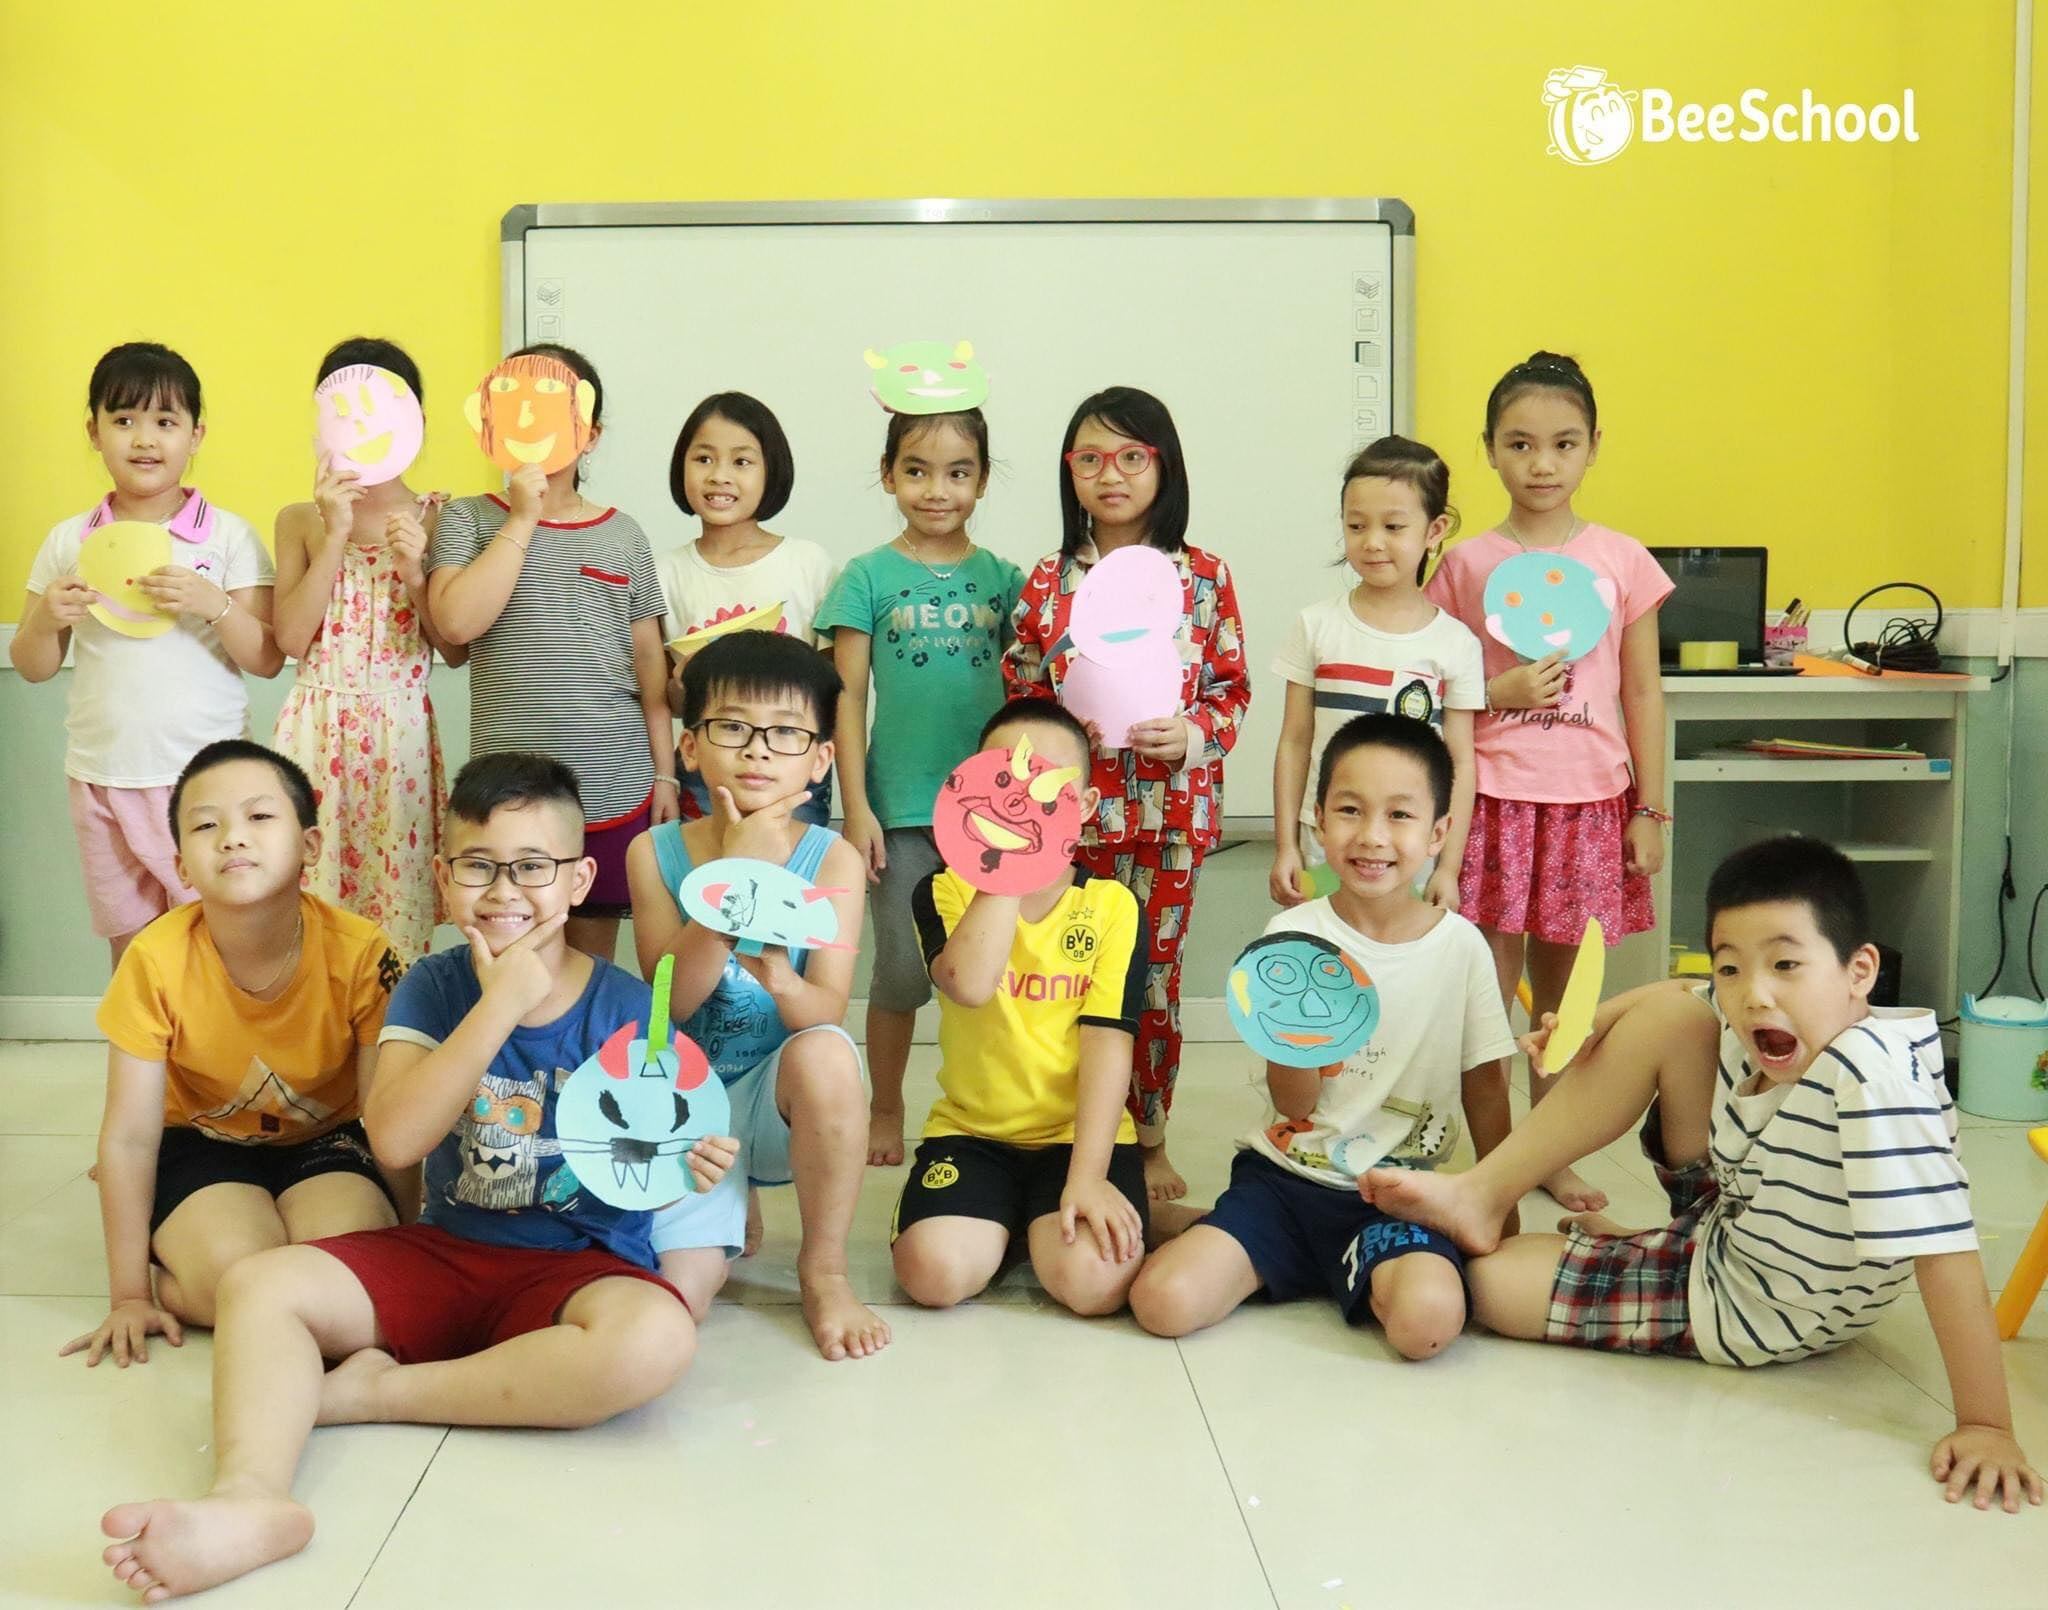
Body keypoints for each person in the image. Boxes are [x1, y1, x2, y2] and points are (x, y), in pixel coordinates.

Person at [95, 751, 737, 1601]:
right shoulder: (433, 986)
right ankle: (251, 1498)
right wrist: (499, 1003)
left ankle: (378, 1393)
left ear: (580, 880)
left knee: (657, 1340)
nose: (505, 891)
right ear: (443, 876)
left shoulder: (629, 1007)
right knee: (259, 1284)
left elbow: (650, 1162)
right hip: (447, 1248)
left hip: (577, 1265)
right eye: (479, 866)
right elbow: (394, 1139)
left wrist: (691, 1166)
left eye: (533, 867)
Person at [1362, 836, 2044, 1512]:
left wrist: (1987, 1424)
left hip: (1750, 1302)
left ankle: (1536, 1225)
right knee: (1674, 1018)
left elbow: (1944, 1252)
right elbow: (1681, 992)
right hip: (1739, 1217)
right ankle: (1484, 1194)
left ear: (1859, 970)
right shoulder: (1788, 1015)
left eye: (1785, 964)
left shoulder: (1875, 1082)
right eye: (1731, 967)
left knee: (1492, 1282)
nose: (1754, 995)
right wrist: (1593, 1021)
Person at [1130, 715, 1514, 1357]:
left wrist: (1500, 1206)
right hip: (1285, 1184)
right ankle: (1234, 1235)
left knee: (1427, 1324)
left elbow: (1487, 1087)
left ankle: (1307, 1254)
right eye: (1350, 810)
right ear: (1317, 819)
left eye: (1399, 815)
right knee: (1163, 1301)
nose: (1372, 836)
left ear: (1438, 832)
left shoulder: (1462, 946)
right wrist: (1309, 1038)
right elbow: (1294, 1106)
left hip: (1400, 1198)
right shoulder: (1290, 940)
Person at [1425, 351, 1671, 1213]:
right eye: (1520, 444)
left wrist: (1650, 807)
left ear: (1594, 446)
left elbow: (1643, 690)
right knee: (1485, 991)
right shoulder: (1464, 565)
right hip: (1493, 799)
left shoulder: (1623, 560)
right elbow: (1434, 685)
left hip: (1590, 807)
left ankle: (1548, 1154)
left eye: (1564, 444)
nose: (1542, 463)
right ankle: (1495, 1159)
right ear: (1490, 448)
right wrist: (1498, 692)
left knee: (1568, 1000)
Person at [64, 740, 402, 1367]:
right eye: (205, 825)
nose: (233, 838)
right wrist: (130, 1295)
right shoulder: (154, 959)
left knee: (346, 1276)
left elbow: (390, 1120)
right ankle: (179, 1276)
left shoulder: (362, 951)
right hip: (198, 1142)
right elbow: (130, 1138)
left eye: (260, 816)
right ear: (181, 866)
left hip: (326, 1141)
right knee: (238, 1276)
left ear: (310, 845)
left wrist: (412, 1248)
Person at [1004, 385, 1250, 1202]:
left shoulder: (1205, 577)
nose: (1110, 475)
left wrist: (1194, 735)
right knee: (1069, 976)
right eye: (1090, 458)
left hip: (1169, 819)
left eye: (1132, 457)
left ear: (1164, 465)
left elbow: (1232, 689)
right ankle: (1066, 1136)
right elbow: (1021, 690)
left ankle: (1147, 1140)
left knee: (1151, 981)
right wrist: (1057, 726)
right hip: (1071, 821)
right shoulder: (1048, 581)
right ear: (1069, 471)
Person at [625, 630, 891, 1361]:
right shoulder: (654, 852)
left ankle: (824, 1270)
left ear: (820, 759)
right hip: (684, 1105)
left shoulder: (831, 859)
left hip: (776, 1097)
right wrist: (732, 885)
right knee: (680, 1294)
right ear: (690, 746)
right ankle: (729, 1202)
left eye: (785, 733)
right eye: (734, 728)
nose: (759, 752)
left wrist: (780, 977)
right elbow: (668, 1007)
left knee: (827, 1053)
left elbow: (825, 1011)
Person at [12, 341, 282, 968]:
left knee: (221, 936)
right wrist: (48, 618)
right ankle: (142, 1036)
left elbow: (266, 657)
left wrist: (212, 603)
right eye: (124, 419)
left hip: (205, 777)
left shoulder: (227, 536)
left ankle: (220, 1037)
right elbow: (32, 664)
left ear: (195, 435)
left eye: (165, 421)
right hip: (102, 776)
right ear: (94, 432)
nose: (144, 439)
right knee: (132, 947)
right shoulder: (68, 541)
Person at [818, 404, 1025, 1166]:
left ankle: (992, 1107)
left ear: (983, 480)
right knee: (902, 970)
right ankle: (886, 1105)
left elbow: (1035, 690)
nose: (937, 490)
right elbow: (845, 701)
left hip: (993, 812)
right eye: (916, 470)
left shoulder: (1007, 581)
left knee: (994, 968)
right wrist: (856, 808)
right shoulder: (866, 577)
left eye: (958, 473)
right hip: (900, 809)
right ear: (888, 475)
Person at [891, 699, 1148, 1313]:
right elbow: (971, 985)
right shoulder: (941, 889)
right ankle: (1010, 1223)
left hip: (1079, 1136)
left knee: (1094, 1286)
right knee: (932, 1275)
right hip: (973, 1133)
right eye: (1003, 779)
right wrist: (1005, 867)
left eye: (1048, 784)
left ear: (1085, 805)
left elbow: (1107, 1042)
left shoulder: (1113, 905)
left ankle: (1038, 1219)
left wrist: (1087, 1176)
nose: (1023, 800)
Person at [427, 342, 677, 963]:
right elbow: (455, 623)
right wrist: (521, 519)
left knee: (589, 959)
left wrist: (666, 773)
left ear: (589, 432)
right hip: (506, 795)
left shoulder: (624, 532)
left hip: (612, 786)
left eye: (552, 406)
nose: (530, 421)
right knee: (511, 951)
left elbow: (650, 667)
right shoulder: (466, 520)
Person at [272, 337, 463, 961]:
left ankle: (395, 1023)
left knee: (395, 917)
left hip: (399, 732)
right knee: (309, 905)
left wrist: (415, 573)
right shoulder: (300, 520)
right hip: (315, 729)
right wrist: (335, 535)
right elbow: (291, 639)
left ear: (416, 420)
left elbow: (454, 651)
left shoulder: (440, 517)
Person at [1270, 435, 1482, 911]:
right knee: (1327, 950)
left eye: (1393, 526)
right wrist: (1286, 846)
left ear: (1434, 530)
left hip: (1413, 847)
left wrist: (1448, 867)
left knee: (1404, 948)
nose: (1372, 542)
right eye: (1356, 525)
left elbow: (1461, 762)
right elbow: (1295, 741)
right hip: (1325, 839)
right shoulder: (1315, 625)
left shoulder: (1457, 644)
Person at [656, 391, 837, 826]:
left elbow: (834, 689)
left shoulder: (808, 563)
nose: (719, 476)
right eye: (703, 459)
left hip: (793, 770)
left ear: (772, 470)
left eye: (741, 462)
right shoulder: (663, 572)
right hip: (706, 770)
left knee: (792, 868)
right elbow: (669, 701)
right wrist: (685, 681)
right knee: (707, 868)